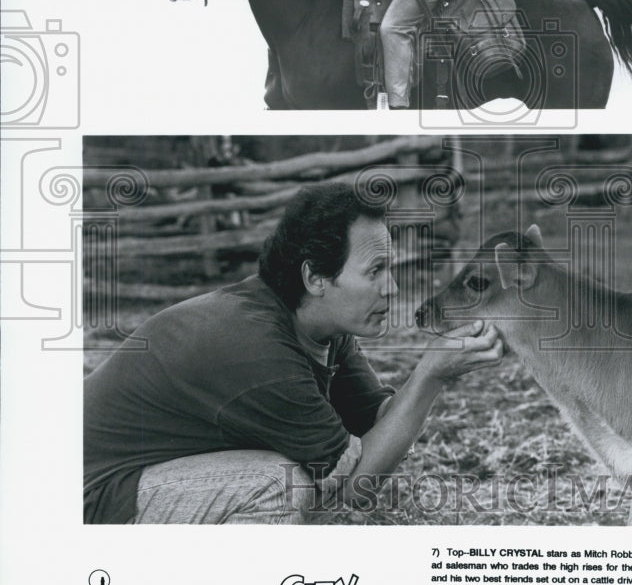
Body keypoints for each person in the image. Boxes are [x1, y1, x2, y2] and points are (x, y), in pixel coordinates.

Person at [83, 182, 503, 524]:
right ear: (316, 277)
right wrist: (431, 373)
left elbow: (377, 425)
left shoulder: (318, 327)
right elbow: (356, 484)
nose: (391, 287)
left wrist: (432, 370)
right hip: (91, 494)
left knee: (304, 482)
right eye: (375, 271)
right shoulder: (257, 348)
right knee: (281, 486)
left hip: (139, 476)